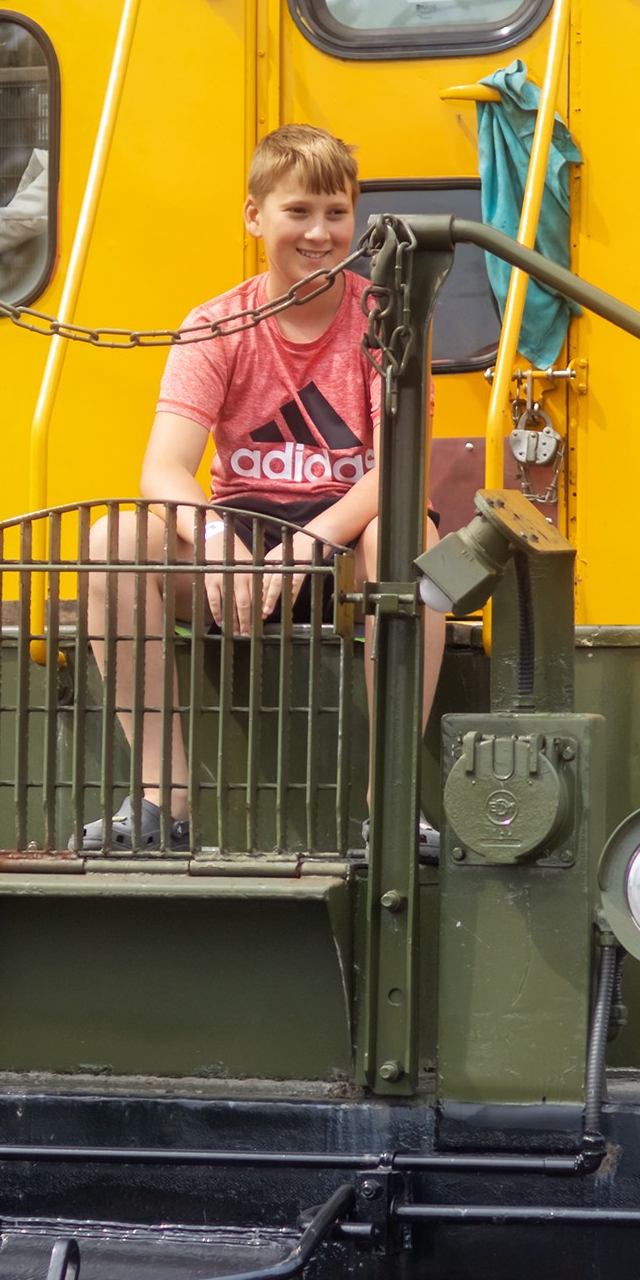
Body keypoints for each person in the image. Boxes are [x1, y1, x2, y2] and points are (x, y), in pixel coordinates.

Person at [85, 124, 443, 850]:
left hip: (343, 548)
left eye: (336, 213)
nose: (319, 232)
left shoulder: (386, 322)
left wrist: (310, 545)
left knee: (409, 539)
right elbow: (163, 468)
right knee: (113, 542)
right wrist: (218, 539)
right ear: (255, 217)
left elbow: (399, 465)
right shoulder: (217, 325)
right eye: (298, 211)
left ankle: (392, 802)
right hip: (243, 548)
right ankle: (165, 802)